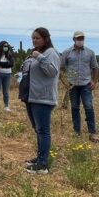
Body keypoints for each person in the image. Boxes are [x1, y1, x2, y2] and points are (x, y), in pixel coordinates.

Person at [20, 27, 61, 175]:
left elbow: (52, 72)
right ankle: (39, 158)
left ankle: (43, 165)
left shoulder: (51, 53)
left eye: (37, 38)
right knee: (38, 130)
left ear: (46, 39)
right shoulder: (37, 53)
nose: (34, 40)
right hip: (32, 96)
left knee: (43, 131)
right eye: (33, 38)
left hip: (43, 98)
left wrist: (39, 58)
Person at [60, 31, 99, 141]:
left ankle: (92, 132)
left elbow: (95, 67)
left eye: (82, 38)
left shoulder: (90, 53)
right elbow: (60, 68)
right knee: (74, 107)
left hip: (86, 84)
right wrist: (65, 82)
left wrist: (94, 82)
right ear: (73, 39)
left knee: (88, 107)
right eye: (78, 38)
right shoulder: (67, 53)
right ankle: (76, 131)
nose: (80, 40)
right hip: (72, 85)